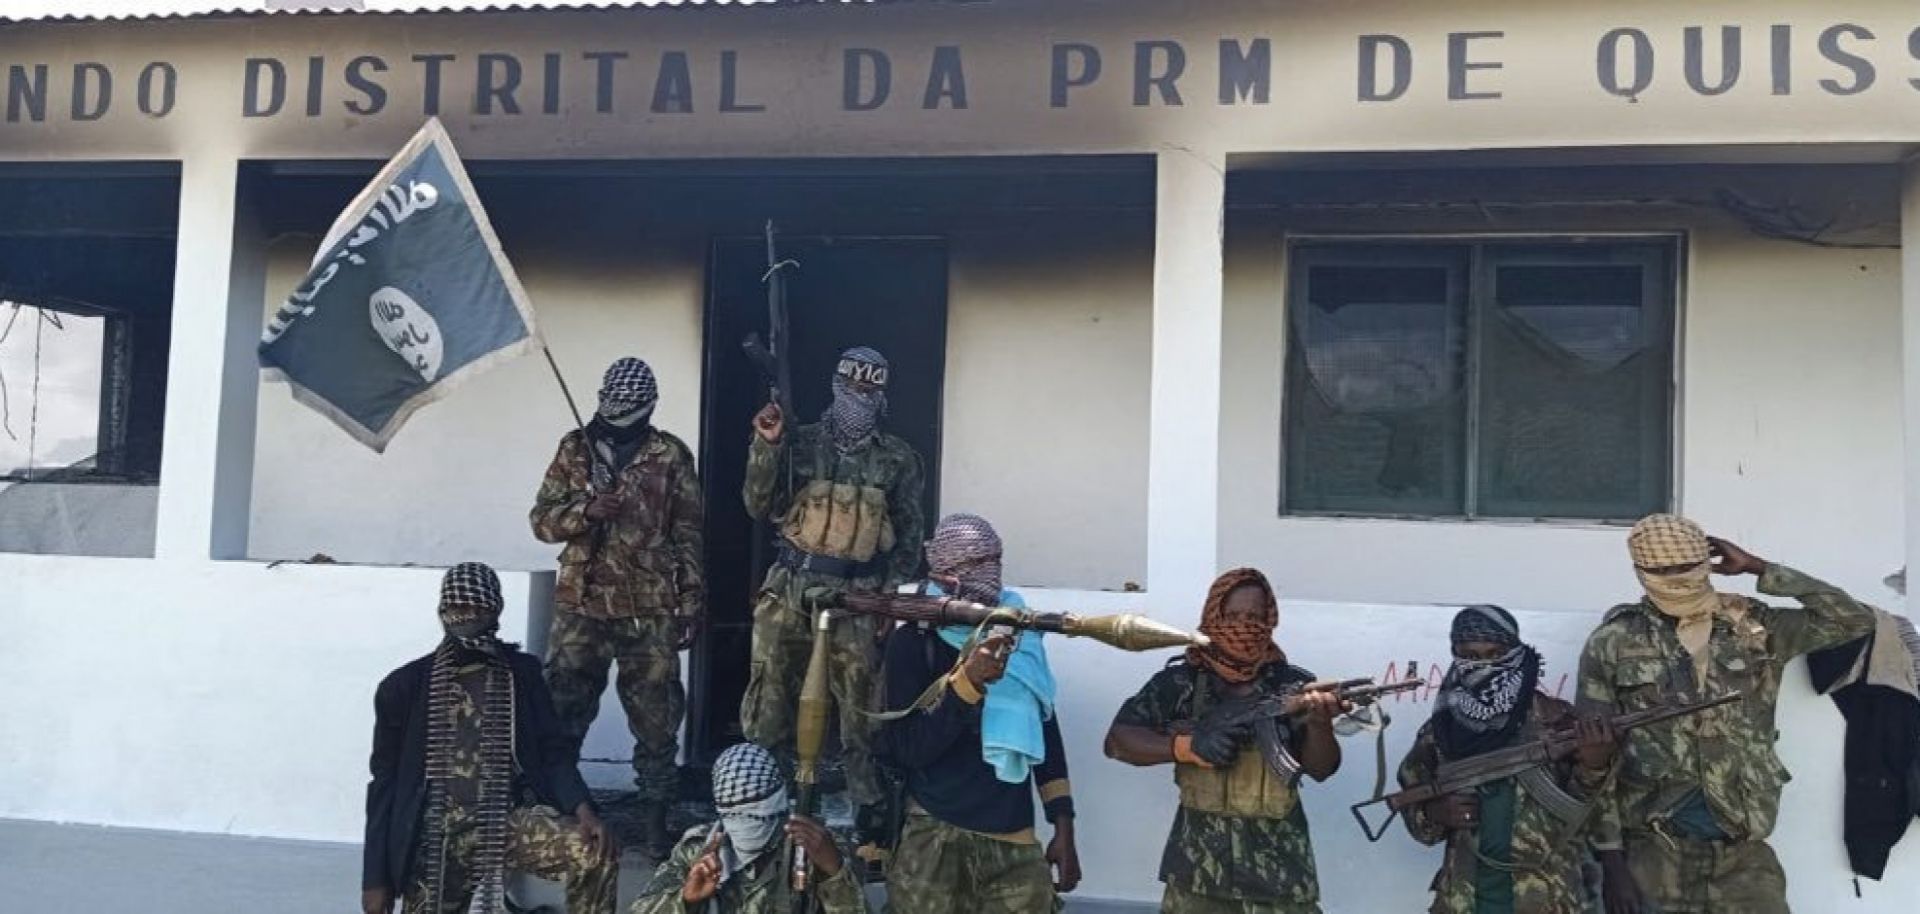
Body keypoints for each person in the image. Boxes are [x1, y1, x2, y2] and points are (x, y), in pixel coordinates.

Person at [1577, 514, 1875, 914]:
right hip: (1654, 851)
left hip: (1743, 856)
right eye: (1663, 570)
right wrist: (1612, 863)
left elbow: (1852, 619)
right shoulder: (1613, 641)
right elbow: (1594, 760)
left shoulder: (1755, 626)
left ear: (1706, 561)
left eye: (1687, 566)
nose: (1677, 577)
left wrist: (1759, 567)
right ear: (1640, 571)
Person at [740, 346, 926, 842]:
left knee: (861, 714)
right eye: (850, 390)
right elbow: (759, 504)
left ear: (881, 396)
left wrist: (892, 599)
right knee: (770, 701)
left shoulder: (898, 458)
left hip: (857, 596)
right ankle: (761, 812)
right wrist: (767, 444)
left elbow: (909, 536)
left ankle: (870, 826)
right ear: (835, 387)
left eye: (869, 392)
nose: (858, 400)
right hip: (791, 588)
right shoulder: (799, 443)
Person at [362, 563, 618, 914]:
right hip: (438, 834)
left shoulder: (522, 673)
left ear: (495, 610)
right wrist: (375, 880)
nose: (466, 616)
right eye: (456, 608)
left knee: (593, 852)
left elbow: (552, 752)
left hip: (508, 819)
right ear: (442, 611)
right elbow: (384, 783)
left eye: (477, 608)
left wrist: (584, 810)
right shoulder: (403, 687)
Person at [530, 356, 704, 857]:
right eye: (613, 402)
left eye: (629, 405)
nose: (618, 412)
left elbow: (688, 531)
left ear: (649, 405)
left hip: (649, 606)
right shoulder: (574, 448)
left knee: (657, 716)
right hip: (581, 604)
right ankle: (561, 812)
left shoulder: (670, 455)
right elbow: (540, 521)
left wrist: (691, 600)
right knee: (563, 709)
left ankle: (654, 823)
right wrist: (585, 511)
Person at [1104, 568, 1342, 914]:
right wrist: (1187, 747)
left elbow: (1323, 769)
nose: (1244, 626)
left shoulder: (1293, 685)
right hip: (1196, 878)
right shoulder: (1180, 684)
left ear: (1270, 620)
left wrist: (1320, 724)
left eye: (1255, 617)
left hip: (1280, 879)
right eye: (1232, 616)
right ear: (1213, 616)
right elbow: (1118, 741)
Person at [878, 513, 1082, 913]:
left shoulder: (1020, 635)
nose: (988, 573)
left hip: (1013, 839)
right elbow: (908, 749)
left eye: (994, 560)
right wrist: (967, 685)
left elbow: (1046, 733)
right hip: (936, 834)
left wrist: (1064, 826)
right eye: (974, 564)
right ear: (945, 572)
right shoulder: (914, 642)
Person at [1397, 604, 1618, 914]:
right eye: (1470, 655)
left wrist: (1594, 766)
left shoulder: (1558, 721)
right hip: (1464, 897)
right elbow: (1417, 817)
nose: (1484, 665)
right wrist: (1433, 813)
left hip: (1549, 897)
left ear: (1515, 652)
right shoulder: (1442, 731)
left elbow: (1594, 818)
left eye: (1495, 653)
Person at [632, 742, 869, 914]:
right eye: (734, 812)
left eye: (755, 809)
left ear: (778, 799)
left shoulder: (814, 847)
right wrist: (686, 899)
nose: (745, 822)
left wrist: (834, 872)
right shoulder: (698, 849)